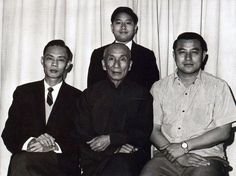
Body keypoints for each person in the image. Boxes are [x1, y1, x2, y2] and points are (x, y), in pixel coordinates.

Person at [140, 32, 236, 176]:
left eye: (194, 52)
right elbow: (153, 129)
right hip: (166, 157)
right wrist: (177, 154)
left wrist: (184, 147)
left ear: (203, 56)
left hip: (206, 158)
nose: (188, 58)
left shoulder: (219, 87)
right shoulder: (159, 87)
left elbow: (224, 131)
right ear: (174, 56)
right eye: (182, 52)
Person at [2, 40, 81, 176]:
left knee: (21, 161)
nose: (54, 64)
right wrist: (31, 143)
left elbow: (80, 137)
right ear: (42, 60)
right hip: (27, 159)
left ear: (68, 65)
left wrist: (53, 145)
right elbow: (9, 133)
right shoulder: (24, 92)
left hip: (61, 165)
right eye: (50, 58)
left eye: (60, 60)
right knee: (21, 160)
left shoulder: (78, 97)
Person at [76, 43, 153, 176]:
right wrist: (114, 149)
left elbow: (142, 132)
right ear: (104, 64)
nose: (116, 65)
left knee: (121, 164)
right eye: (111, 59)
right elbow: (83, 134)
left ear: (129, 65)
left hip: (129, 157)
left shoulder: (142, 94)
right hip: (95, 159)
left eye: (122, 59)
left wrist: (112, 139)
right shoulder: (89, 95)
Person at [87, 6, 159, 90]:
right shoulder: (98, 54)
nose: (123, 27)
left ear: (135, 28)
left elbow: (153, 89)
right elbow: (92, 89)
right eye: (118, 23)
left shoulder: (146, 55)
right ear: (112, 27)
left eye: (128, 23)